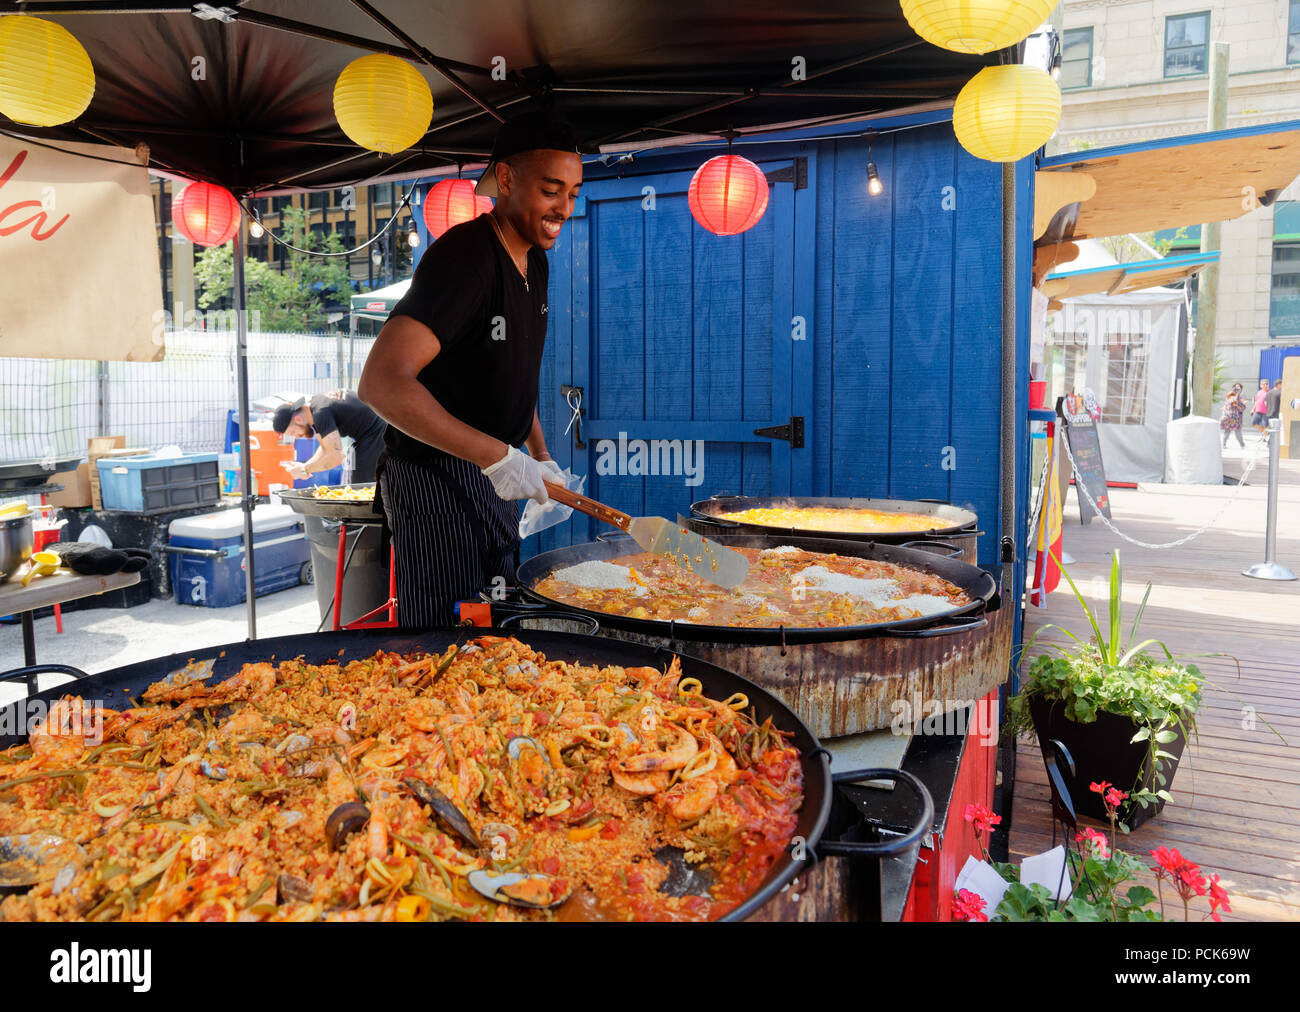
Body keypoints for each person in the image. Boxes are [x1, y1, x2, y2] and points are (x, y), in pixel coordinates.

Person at [358, 111, 583, 626]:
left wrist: (540, 457)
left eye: (572, 193)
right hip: (435, 479)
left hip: (491, 474)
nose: (564, 209)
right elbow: (381, 383)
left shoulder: (536, 262)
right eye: (552, 190)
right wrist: (500, 459)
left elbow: (511, 374)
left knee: (495, 622)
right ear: (506, 179)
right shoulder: (465, 257)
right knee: (448, 635)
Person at [273, 390, 387, 484]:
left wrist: (304, 470)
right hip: (374, 430)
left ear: (298, 420)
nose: (296, 437)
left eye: (293, 432)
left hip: (376, 432)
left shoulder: (320, 413)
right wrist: (305, 467)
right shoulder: (316, 406)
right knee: (359, 484)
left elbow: (336, 457)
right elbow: (325, 449)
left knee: (363, 486)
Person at [1220, 383, 1245, 449]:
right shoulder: (1235, 400)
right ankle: (1242, 445)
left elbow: (1224, 407)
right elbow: (1242, 408)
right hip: (1234, 417)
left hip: (1227, 417)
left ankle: (1224, 444)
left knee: (1227, 431)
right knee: (1237, 431)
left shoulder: (1228, 399)